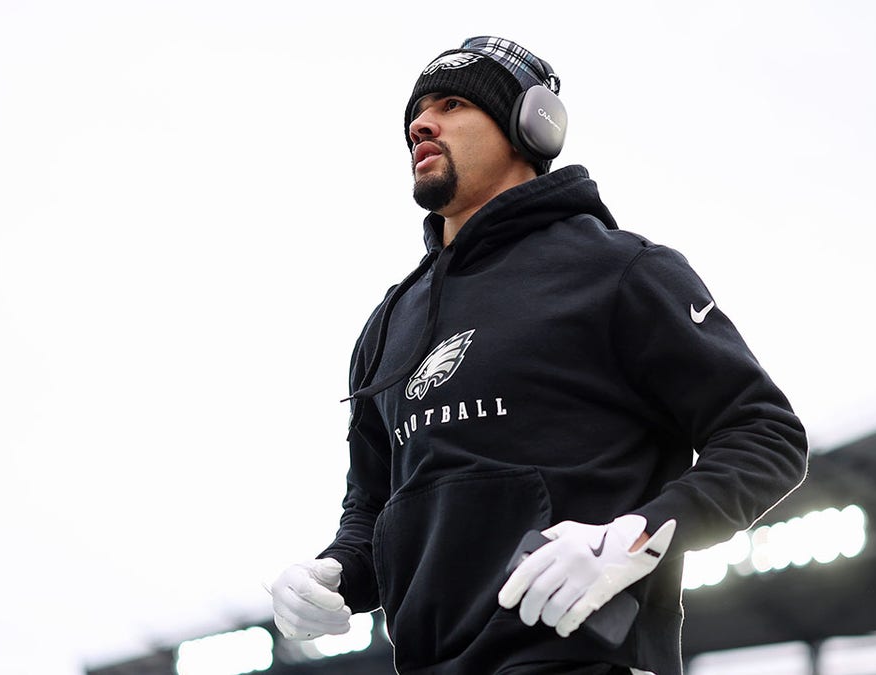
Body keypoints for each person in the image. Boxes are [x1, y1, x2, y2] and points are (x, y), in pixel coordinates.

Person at [269, 36, 808, 675]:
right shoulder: (388, 324)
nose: (420, 123)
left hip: (584, 661)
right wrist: (336, 572)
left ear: (533, 125)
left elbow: (766, 437)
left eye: (453, 102)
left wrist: (634, 537)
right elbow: (376, 503)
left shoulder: (620, 271)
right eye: (415, 111)